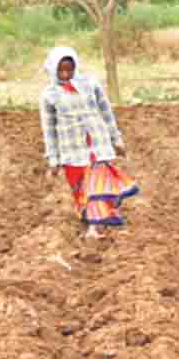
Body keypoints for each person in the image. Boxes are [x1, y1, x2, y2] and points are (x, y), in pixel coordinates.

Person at [39, 46, 139, 239]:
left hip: (97, 144)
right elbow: (49, 129)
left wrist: (116, 138)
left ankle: (95, 226)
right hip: (72, 150)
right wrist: (53, 159)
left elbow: (106, 112)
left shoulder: (90, 84)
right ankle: (93, 219)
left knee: (97, 186)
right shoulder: (49, 95)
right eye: (61, 70)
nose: (66, 74)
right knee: (81, 189)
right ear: (53, 70)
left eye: (70, 69)